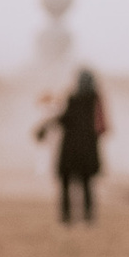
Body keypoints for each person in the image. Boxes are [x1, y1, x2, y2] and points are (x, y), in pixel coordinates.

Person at [37, 67, 108, 223]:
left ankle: (66, 217)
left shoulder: (74, 98)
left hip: (70, 150)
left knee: (66, 184)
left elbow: (64, 118)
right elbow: (104, 127)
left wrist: (44, 126)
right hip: (89, 150)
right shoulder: (96, 100)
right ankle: (88, 217)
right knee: (87, 184)